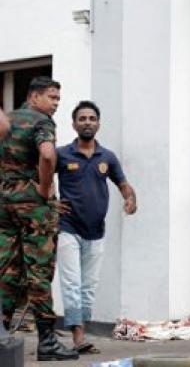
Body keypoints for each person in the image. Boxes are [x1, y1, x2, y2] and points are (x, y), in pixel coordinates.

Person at [0, 76, 79, 361]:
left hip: (5, 202)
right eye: (52, 97)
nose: (56, 104)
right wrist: (45, 189)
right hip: (33, 206)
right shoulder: (41, 121)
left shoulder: (7, 120)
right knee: (39, 272)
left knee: (6, 270)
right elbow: (47, 155)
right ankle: (47, 342)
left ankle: (3, 334)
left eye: (58, 99)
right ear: (34, 97)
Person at [56, 100, 137, 354]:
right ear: (74, 124)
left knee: (88, 285)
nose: (87, 122)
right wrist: (49, 202)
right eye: (82, 119)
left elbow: (123, 183)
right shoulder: (62, 154)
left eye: (92, 118)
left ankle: (82, 333)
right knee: (71, 283)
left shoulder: (107, 157)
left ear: (98, 124)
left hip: (96, 231)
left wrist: (130, 198)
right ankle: (79, 338)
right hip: (68, 228)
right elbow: (43, 176)